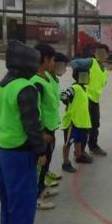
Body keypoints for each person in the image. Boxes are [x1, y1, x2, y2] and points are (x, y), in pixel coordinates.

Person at [0, 40, 47, 224]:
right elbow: (31, 126)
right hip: (19, 151)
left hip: (1, 148)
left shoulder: (3, 85)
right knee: (24, 200)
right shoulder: (25, 88)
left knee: (8, 197)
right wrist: (41, 151)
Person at [31, 44, 68, 210]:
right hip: (44, 131)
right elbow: (34, 111)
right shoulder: (36, 82)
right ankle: (35, 196)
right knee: (39, 165)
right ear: (45, 59)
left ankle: (42, 188)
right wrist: (40, 132)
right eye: (53, 60)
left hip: (50, 127)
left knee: (46, 162)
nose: (55, 63)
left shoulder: (46, 78)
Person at [71, 43, 110, 156]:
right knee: (84, 125)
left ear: (107, 55)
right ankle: (80, 150)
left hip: (95, 100)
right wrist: (81, 77)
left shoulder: (105, 71)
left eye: (103, 53)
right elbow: (74, 63)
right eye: (99, 52)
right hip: (85, 98)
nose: (101, 55)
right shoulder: (90, 62)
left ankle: (93, 146)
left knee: (95, 124)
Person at [60, 65, 92, 171]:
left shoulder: (84, 89)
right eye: (86, 76)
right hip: (72, 122)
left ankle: (79, 156)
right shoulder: (75, 88)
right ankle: (65, 162)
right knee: (68, 143)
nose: (89, 77)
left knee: (78, 141)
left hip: (80, 123)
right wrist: (67, 102)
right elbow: (63, 95)